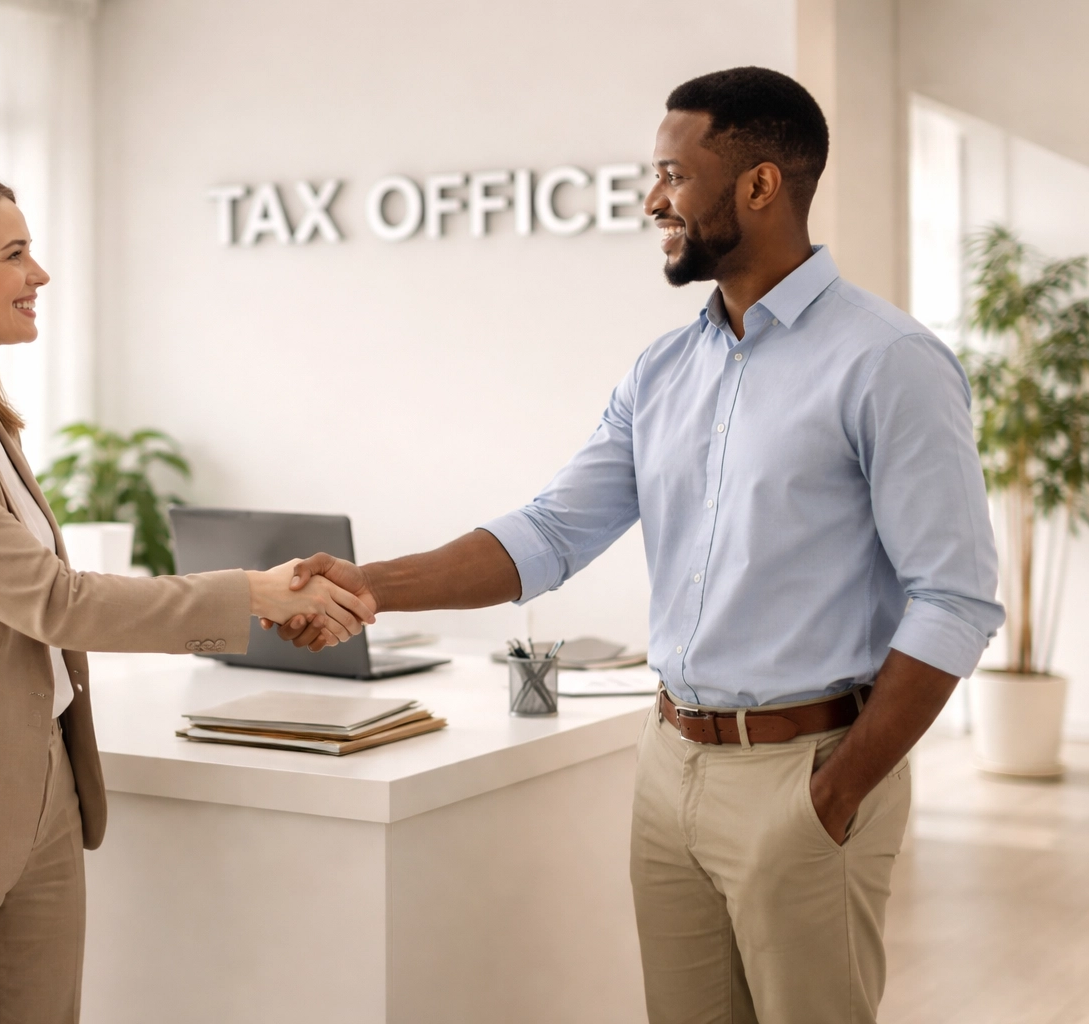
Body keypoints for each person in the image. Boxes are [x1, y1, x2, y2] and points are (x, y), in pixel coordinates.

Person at [268, 67, 1003, 1024]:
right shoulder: (664, 370)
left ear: (761, 185)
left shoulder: (889, 361)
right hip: (669, 766)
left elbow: (955, 599)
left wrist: (838, 792)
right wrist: (368, 585)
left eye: (673, 174)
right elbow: (551, 532)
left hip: (806, 772)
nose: (652, 200)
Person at [0, 172, 372, 1024]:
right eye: (14, 254)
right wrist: (253, 593)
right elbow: (56, 601)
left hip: (38, 783)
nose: (38, 275)